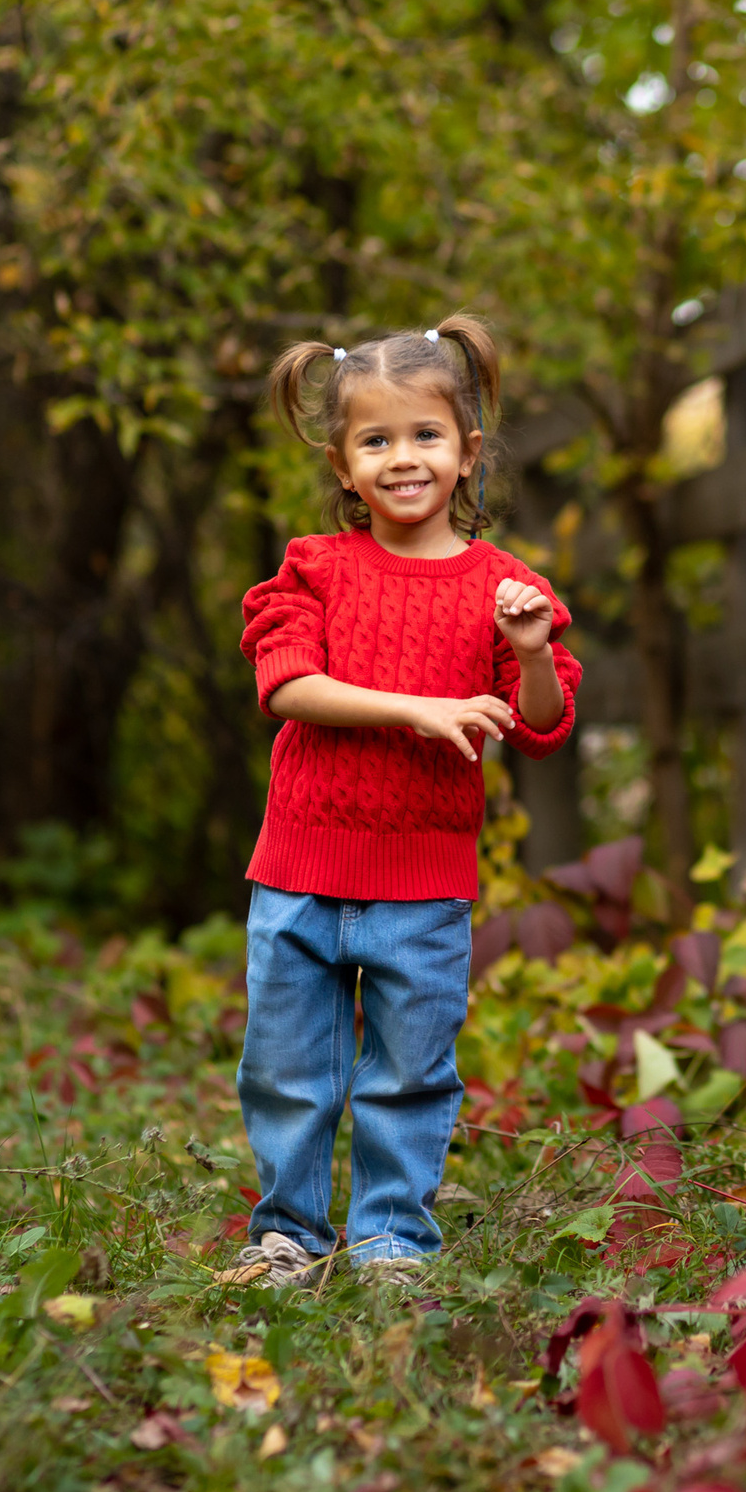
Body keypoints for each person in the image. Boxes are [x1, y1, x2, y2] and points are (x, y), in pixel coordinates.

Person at [228, 315, 580, 1287]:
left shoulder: (505, 588)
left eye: (423, 435)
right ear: (343, 467)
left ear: (468, 453)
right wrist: (417, 712)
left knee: (409, 1075)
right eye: (374, 441)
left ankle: (390, 1241)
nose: (402, 458)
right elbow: (287, 687)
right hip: (299, 875)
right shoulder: (315, 568)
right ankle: (288, 1235)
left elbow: (542, 726)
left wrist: (530, 652)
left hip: (422, 891)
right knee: (287, 1075)